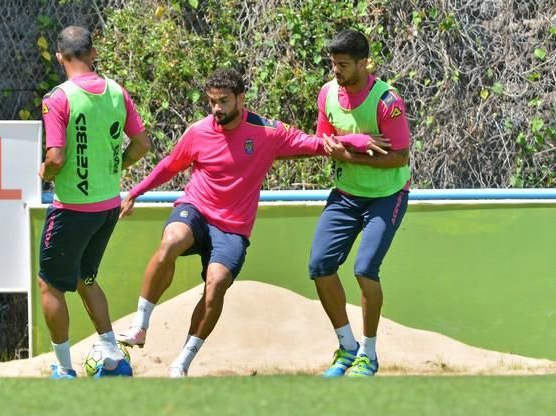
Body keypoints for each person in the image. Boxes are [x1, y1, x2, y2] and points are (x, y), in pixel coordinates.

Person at [116, 68, 350, 377]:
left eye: (224, 101)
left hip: (233, 227)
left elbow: (318, 144)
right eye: (212, 101)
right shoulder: (198, 131)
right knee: (171, 241)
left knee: (215, 286)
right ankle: (140, 326)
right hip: (195, 208)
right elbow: (169, 165)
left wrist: (356, 144)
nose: (216, 108)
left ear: (241, 98)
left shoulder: (268, 132)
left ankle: (181, 362)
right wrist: (135, 192)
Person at [38, 26, 151, 379]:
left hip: (72, 208)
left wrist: (42, 173)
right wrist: (114, 166)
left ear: (60, 57)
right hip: (107, 206)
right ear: (93, 52)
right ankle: (114, 360)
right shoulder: (117, 92)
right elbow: (142, 144)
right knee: (86, 277)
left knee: (50, 283)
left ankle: (63, 367)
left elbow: (55, 158)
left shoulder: (58, 98)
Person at [310, 29, 411, 377]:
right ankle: (347, 348)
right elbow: (325, 140)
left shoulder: (387, 101)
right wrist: (356, 142)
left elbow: (399, 158)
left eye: (343, 65)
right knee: (320, 266)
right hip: (346, 195)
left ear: (364, 63)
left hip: (386, 196)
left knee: (365, 268)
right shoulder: (327, 94)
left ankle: (368, 353)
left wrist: (349, 154)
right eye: (333, 64)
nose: (336, 71)